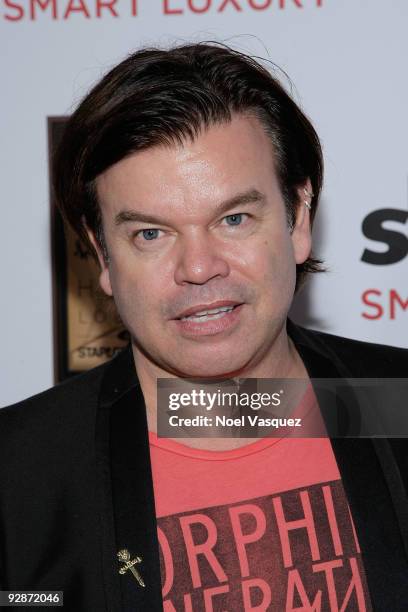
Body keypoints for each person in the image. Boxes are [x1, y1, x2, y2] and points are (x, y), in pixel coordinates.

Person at [1, 43, 407, 612]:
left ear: (299, 220)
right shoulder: (22, 474)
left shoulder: (392, 401)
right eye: (150, 234)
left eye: (234, 219)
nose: (198, 268)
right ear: (102, 256)